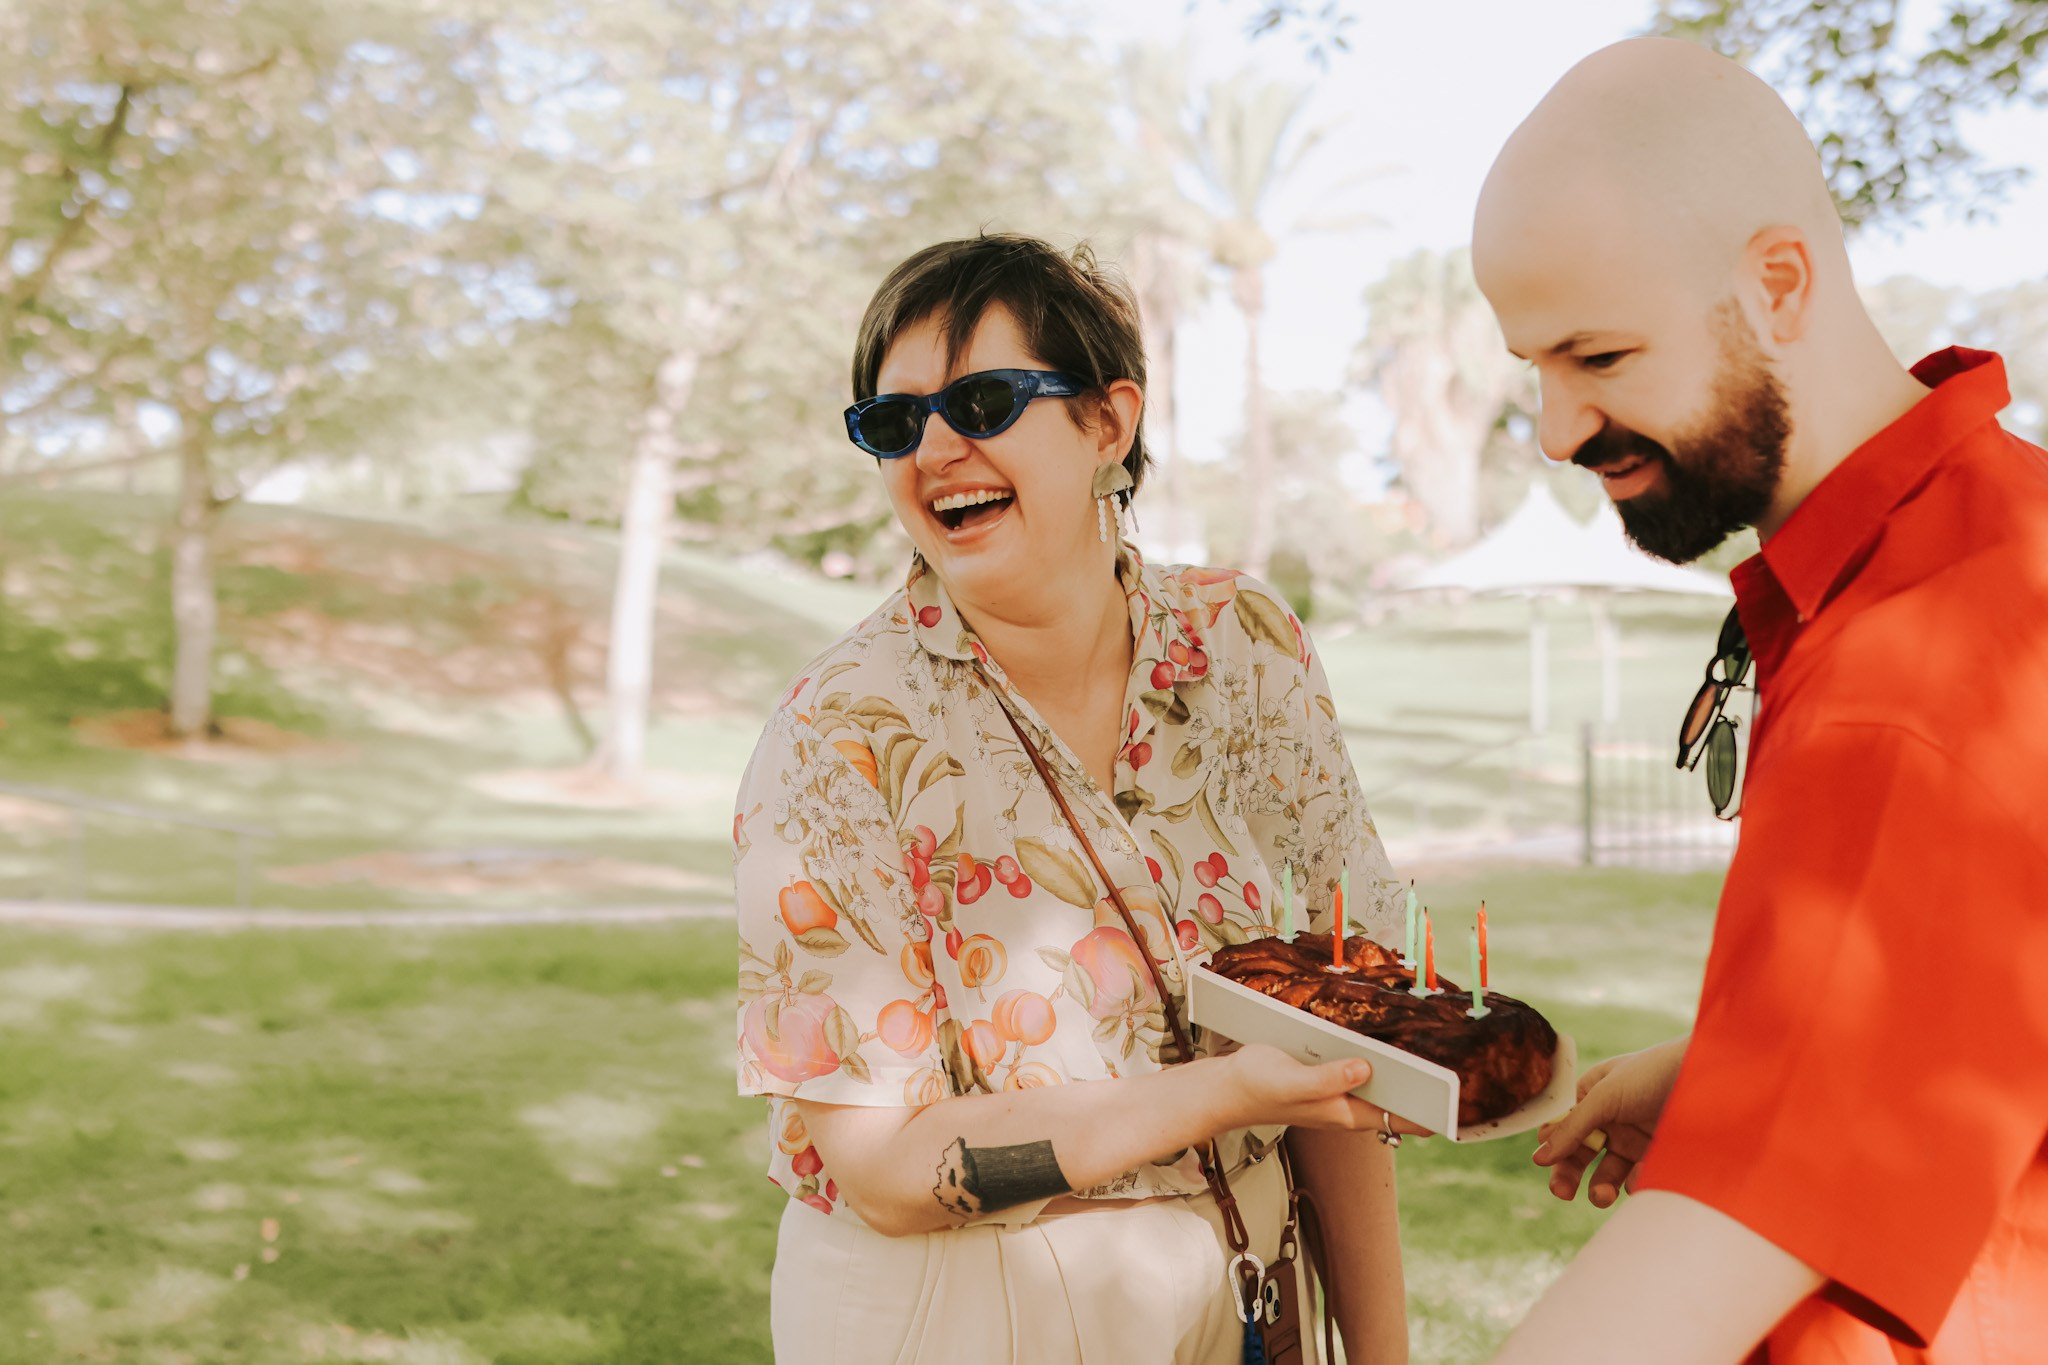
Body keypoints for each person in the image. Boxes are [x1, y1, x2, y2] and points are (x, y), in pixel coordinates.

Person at [731, 233, 1417, 1364]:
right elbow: (887, 1169)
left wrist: (1381, 1356)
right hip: (953, 1308)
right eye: (891, 424)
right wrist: (1222, 1096)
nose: (936, 448)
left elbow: (1338, 1037)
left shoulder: (1244, 645)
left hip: (1251, 1277)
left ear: (1108, 422)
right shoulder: (837, 734)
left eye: (985, 399)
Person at [1468, 37, 2048, 1365]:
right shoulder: (2010, 532)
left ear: (1777, 282)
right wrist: (1756, 1061)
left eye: (1598, 355)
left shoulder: (1917, 667)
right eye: (1532, 369)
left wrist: (1773, 1125)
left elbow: (1711, 1254)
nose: (1557, 430)